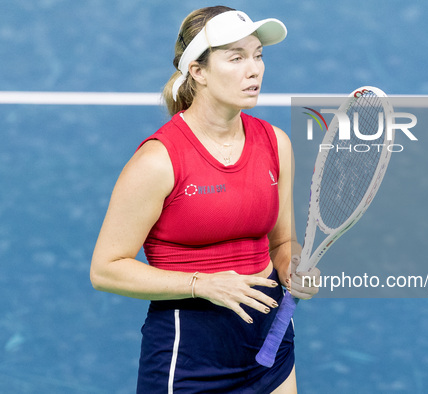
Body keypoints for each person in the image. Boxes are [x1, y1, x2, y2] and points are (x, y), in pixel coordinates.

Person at [90, 6, 320, 393]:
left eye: (258, 56)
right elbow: (106, 269)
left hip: (269, 341)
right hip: (190, 350)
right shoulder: (159, 161)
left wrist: (293, 265)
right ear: (197, 71)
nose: (255, 70)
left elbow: (281, 241)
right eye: (236, 58)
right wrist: (202, 284)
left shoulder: (276, 144)